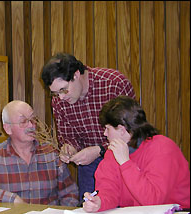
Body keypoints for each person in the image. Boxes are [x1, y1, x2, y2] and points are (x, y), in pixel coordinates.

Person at [41, 52, 136, 200]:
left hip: (124, 159)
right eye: (54, 94)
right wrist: (69, 148)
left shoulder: (113, 83)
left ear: (77, 74)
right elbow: (67, 136)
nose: (61, 97)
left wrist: (100, 150)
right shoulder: (59, 101)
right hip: (88, 164)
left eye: (63, 90)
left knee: (125, 212)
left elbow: (132, 131)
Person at [83, 96, 190, 213]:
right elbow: (109, 191)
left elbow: (153, 201)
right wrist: (100, 202)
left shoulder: (162, 148)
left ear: (121, 129)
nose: (105, 134)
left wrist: (125, 163)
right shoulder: (113, 152)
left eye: (107, 129)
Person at [0, 100, 79, 206]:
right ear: (8, 129)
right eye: (23, 121)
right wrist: (11, 199)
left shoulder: (51, 154)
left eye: (33, 119)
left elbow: (70, 193)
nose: (31, 125)